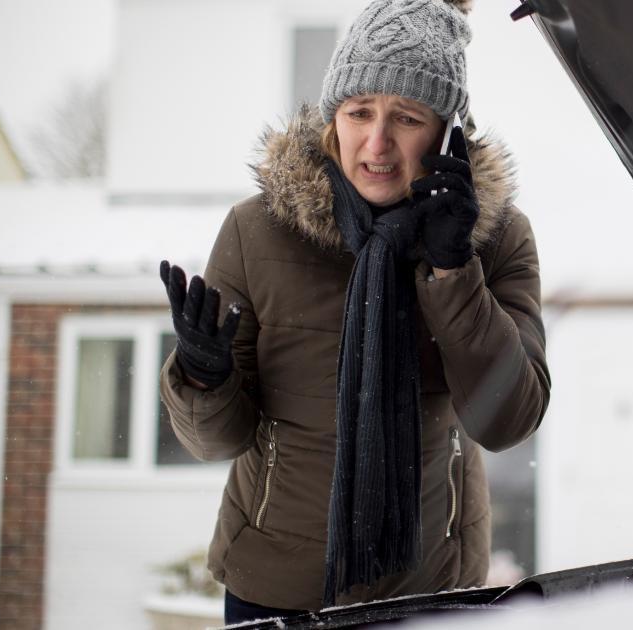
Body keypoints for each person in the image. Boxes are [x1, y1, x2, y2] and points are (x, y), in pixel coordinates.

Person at [157, 0, 550, 623]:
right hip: (276, 588)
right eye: (359, 111)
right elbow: (217, 440)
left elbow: (507, 422)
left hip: (431, 586)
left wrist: (453, 273)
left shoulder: (496, 238)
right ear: (331, 117)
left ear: (447, 130)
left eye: (407, 117)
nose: (377, 142)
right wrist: (203, 380)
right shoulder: (256, 233)